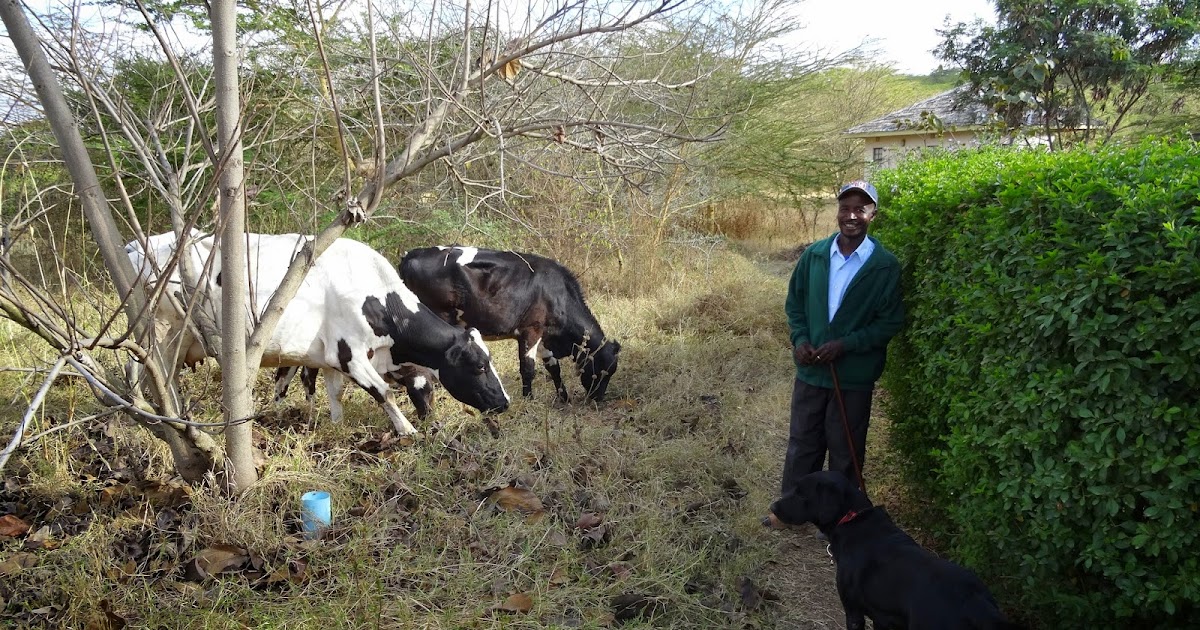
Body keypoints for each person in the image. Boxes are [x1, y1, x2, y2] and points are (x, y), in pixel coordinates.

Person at [777, 180, 904, 506]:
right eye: (845, 208)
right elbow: (795, 305)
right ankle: (794, 507)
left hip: (853, 376)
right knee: (803, 442)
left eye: (860, 209)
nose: (851, 216)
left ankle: (838, 514)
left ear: (872, 215)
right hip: (811, 372)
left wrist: (845, 345)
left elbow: (889, 322)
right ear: (838, 211)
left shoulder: (884, 266)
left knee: (845, 447)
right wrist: (801, 339)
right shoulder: (815, 255)